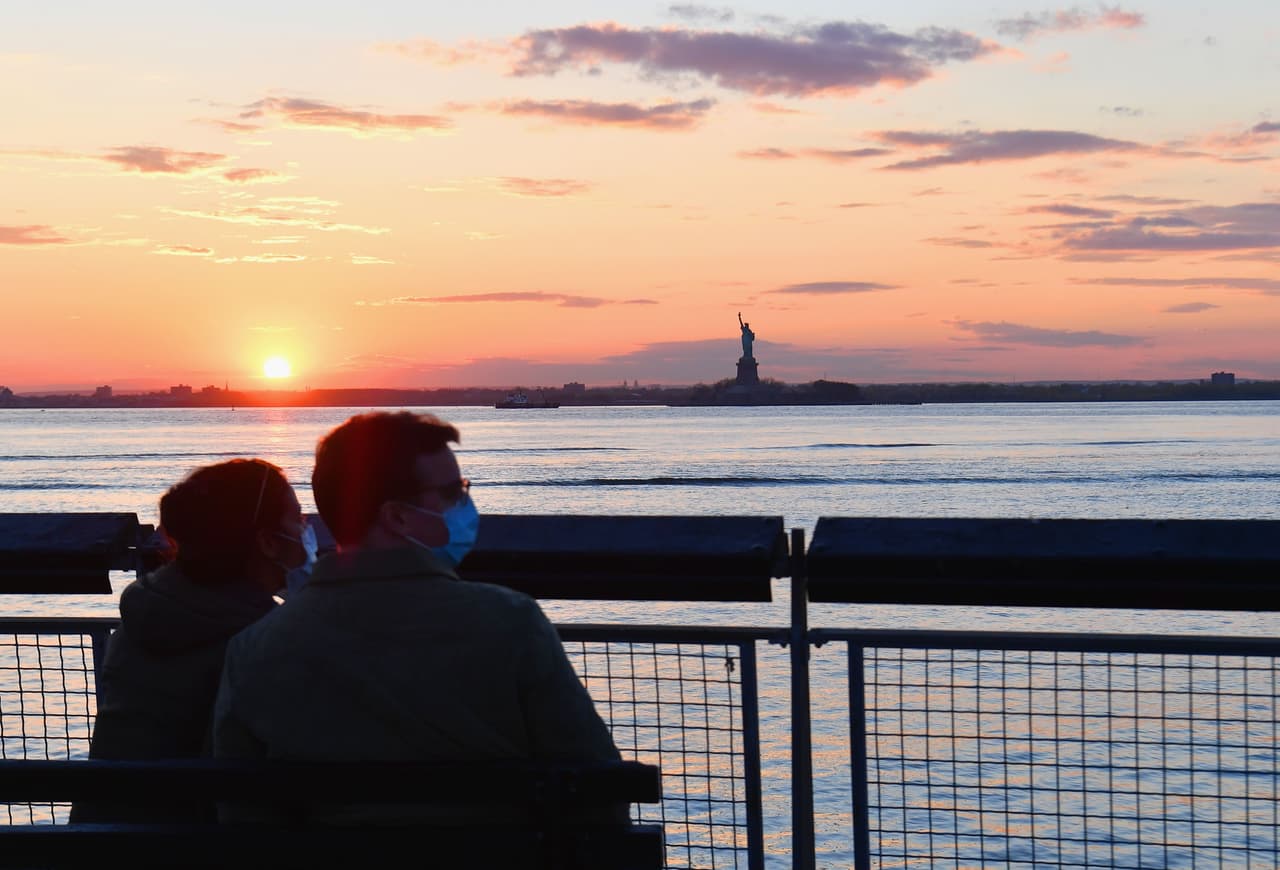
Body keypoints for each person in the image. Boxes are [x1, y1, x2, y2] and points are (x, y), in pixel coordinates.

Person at [212, 411, 621, 823]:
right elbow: (599, 784)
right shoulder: (511, 623)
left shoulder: (254, 650)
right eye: (452, 492)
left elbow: (241, 814)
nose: (464, 503)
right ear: (397, 517)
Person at [72, 459, 313, 823]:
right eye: (298, 519)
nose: (305, 528)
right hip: (195, 842)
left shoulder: (140, 620)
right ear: (267, 542)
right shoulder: (260, 644)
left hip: (96, 836)